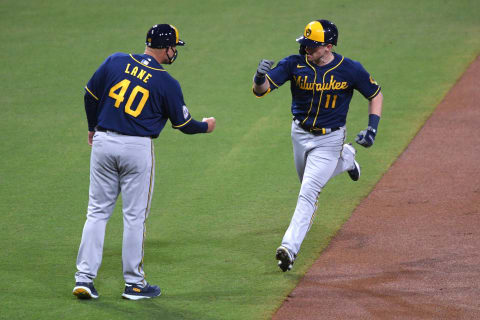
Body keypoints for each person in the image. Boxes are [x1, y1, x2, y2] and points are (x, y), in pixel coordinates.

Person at [73, 24, 216, 299]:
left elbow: (90, 95)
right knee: (134, 217)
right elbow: (183, 123)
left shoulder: (115, 60)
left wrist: (92, 127)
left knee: (97, 211)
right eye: (175, 46)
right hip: (137, 148)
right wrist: (205, 126)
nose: (175, 51)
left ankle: (84, 278)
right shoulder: (166, 82)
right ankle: (134, 284)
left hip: (103, 142)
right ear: (166, 48)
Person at [252, 19, 383, 272]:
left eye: (312, 46)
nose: (307, 50)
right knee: (307, 184)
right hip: (299, 134)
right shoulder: (294, 63)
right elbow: (261, 90)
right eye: (305, 44)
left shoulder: (350, 70)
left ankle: (289, 249)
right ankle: (345, 159)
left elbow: (375, 94)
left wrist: (373, 128)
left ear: (329, 46)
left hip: (329, 139)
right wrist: (259, 77)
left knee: (309, 192)